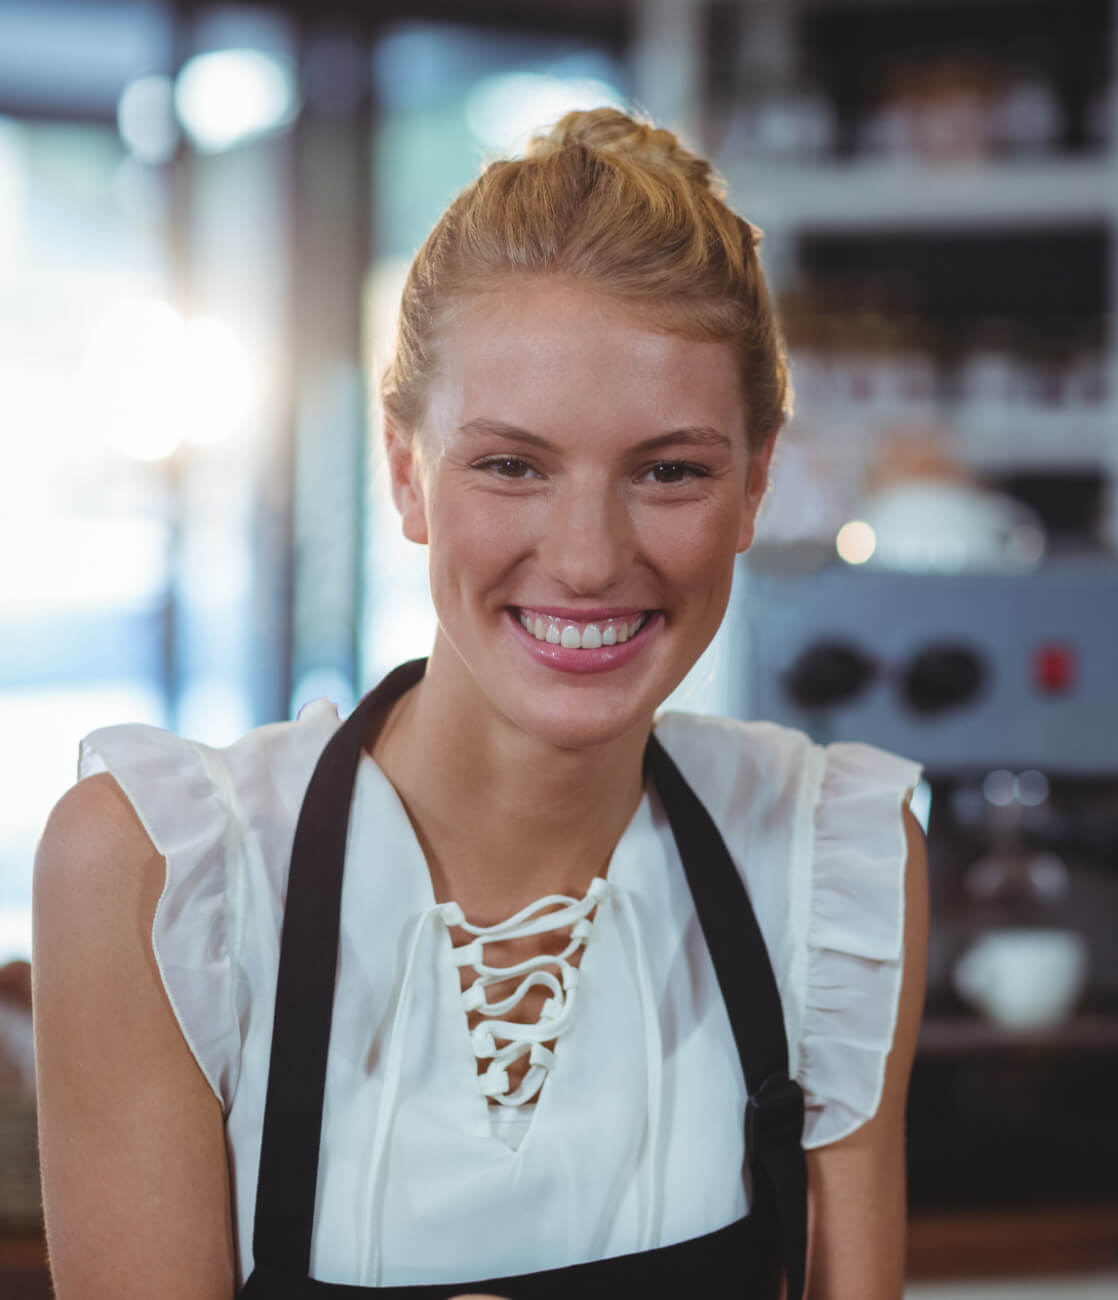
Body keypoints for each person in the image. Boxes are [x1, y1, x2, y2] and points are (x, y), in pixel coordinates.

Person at [32, 106, 928, 1299]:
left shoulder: (834, 863)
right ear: (406, 472)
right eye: (511, 464)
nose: (588, 559)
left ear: (755, 483)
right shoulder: (161, 869)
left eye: (670, 471)